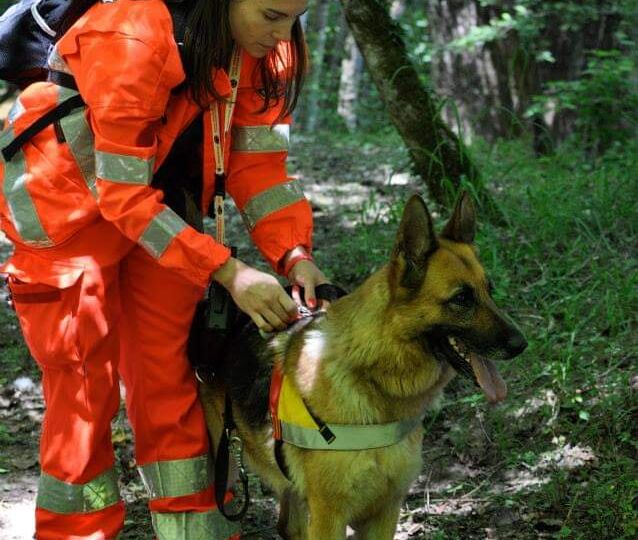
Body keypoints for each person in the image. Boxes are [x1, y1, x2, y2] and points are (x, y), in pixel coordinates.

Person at [0, 0, 326, 538]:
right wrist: (228, 272)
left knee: (168, 377)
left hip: (165, 209)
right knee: (84, 390)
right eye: (272, 15)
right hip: (68, 216)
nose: (284, 33)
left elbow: (259, 165)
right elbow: (122, 196)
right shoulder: (131, 31)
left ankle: (194, 529)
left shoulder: (267, 48)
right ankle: (75, 530)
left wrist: (294, 254)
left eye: (296, 16)